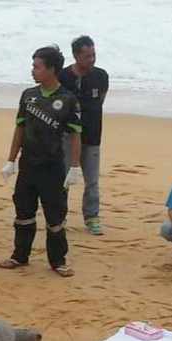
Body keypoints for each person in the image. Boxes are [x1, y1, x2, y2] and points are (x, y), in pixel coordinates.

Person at [0, 45, 82, 277]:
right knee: (23, 213)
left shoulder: (68, 99)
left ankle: (58, 261)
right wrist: (11, 160)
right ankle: (19, 256)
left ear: (52, 69)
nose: (33, 70)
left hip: (53, 167)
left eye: (37, 66)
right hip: (28, 165)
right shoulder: (28, 95)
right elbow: (20, 128)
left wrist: (75, 166)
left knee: (55, 216)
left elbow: (75, 134)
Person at [59, 35, 109, 235]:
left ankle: (92, 217)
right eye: (87, 56)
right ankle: (59, 216)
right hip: (67, 137)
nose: (92, 59)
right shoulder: (63, 77)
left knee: (92, 180)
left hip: (92, 136)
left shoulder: (101, 76)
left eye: (94, 55)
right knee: (62, 178)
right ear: (76, 56)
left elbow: (100, 102)